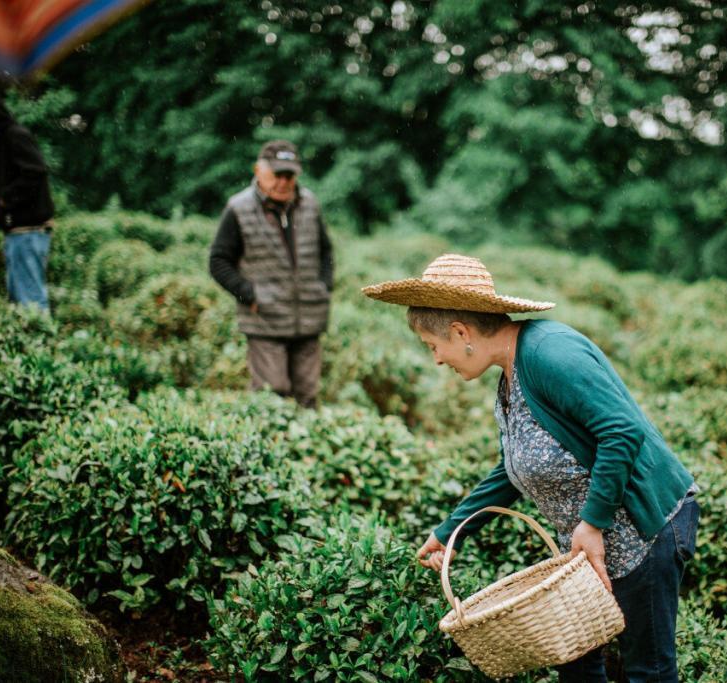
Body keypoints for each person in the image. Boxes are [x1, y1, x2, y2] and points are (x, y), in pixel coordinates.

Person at [362, 253, 700, 682]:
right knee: (575, 661)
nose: (437, 360)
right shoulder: (510, 373)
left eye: (434, 346)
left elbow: (622, 431)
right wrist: (451, 532)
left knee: (647, 671)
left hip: (642, 529)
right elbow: (513, 468)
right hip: (589, 544)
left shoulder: (547, 354)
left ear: (461, 332)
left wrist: (592, 523)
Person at [209, 140, 333, 408]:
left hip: (309, 317)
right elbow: (218, 262)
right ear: (258, 171)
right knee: (271, 396)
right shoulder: (238, 208)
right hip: (265, 319)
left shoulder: (310, 203)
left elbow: (326, 251)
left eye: (290, 175)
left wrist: (324, 287)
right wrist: (250, 295)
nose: (284, 181)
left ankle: (305, 448)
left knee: (308, 397)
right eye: (278, 174)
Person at [0, 87, 55, 312]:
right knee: (21, 300)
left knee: (30, 301)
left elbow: (36, 171)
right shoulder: (1, 142)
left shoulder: (14, 135)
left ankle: (42, 346)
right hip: (19, 231)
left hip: (28, 231)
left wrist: (6, 199)